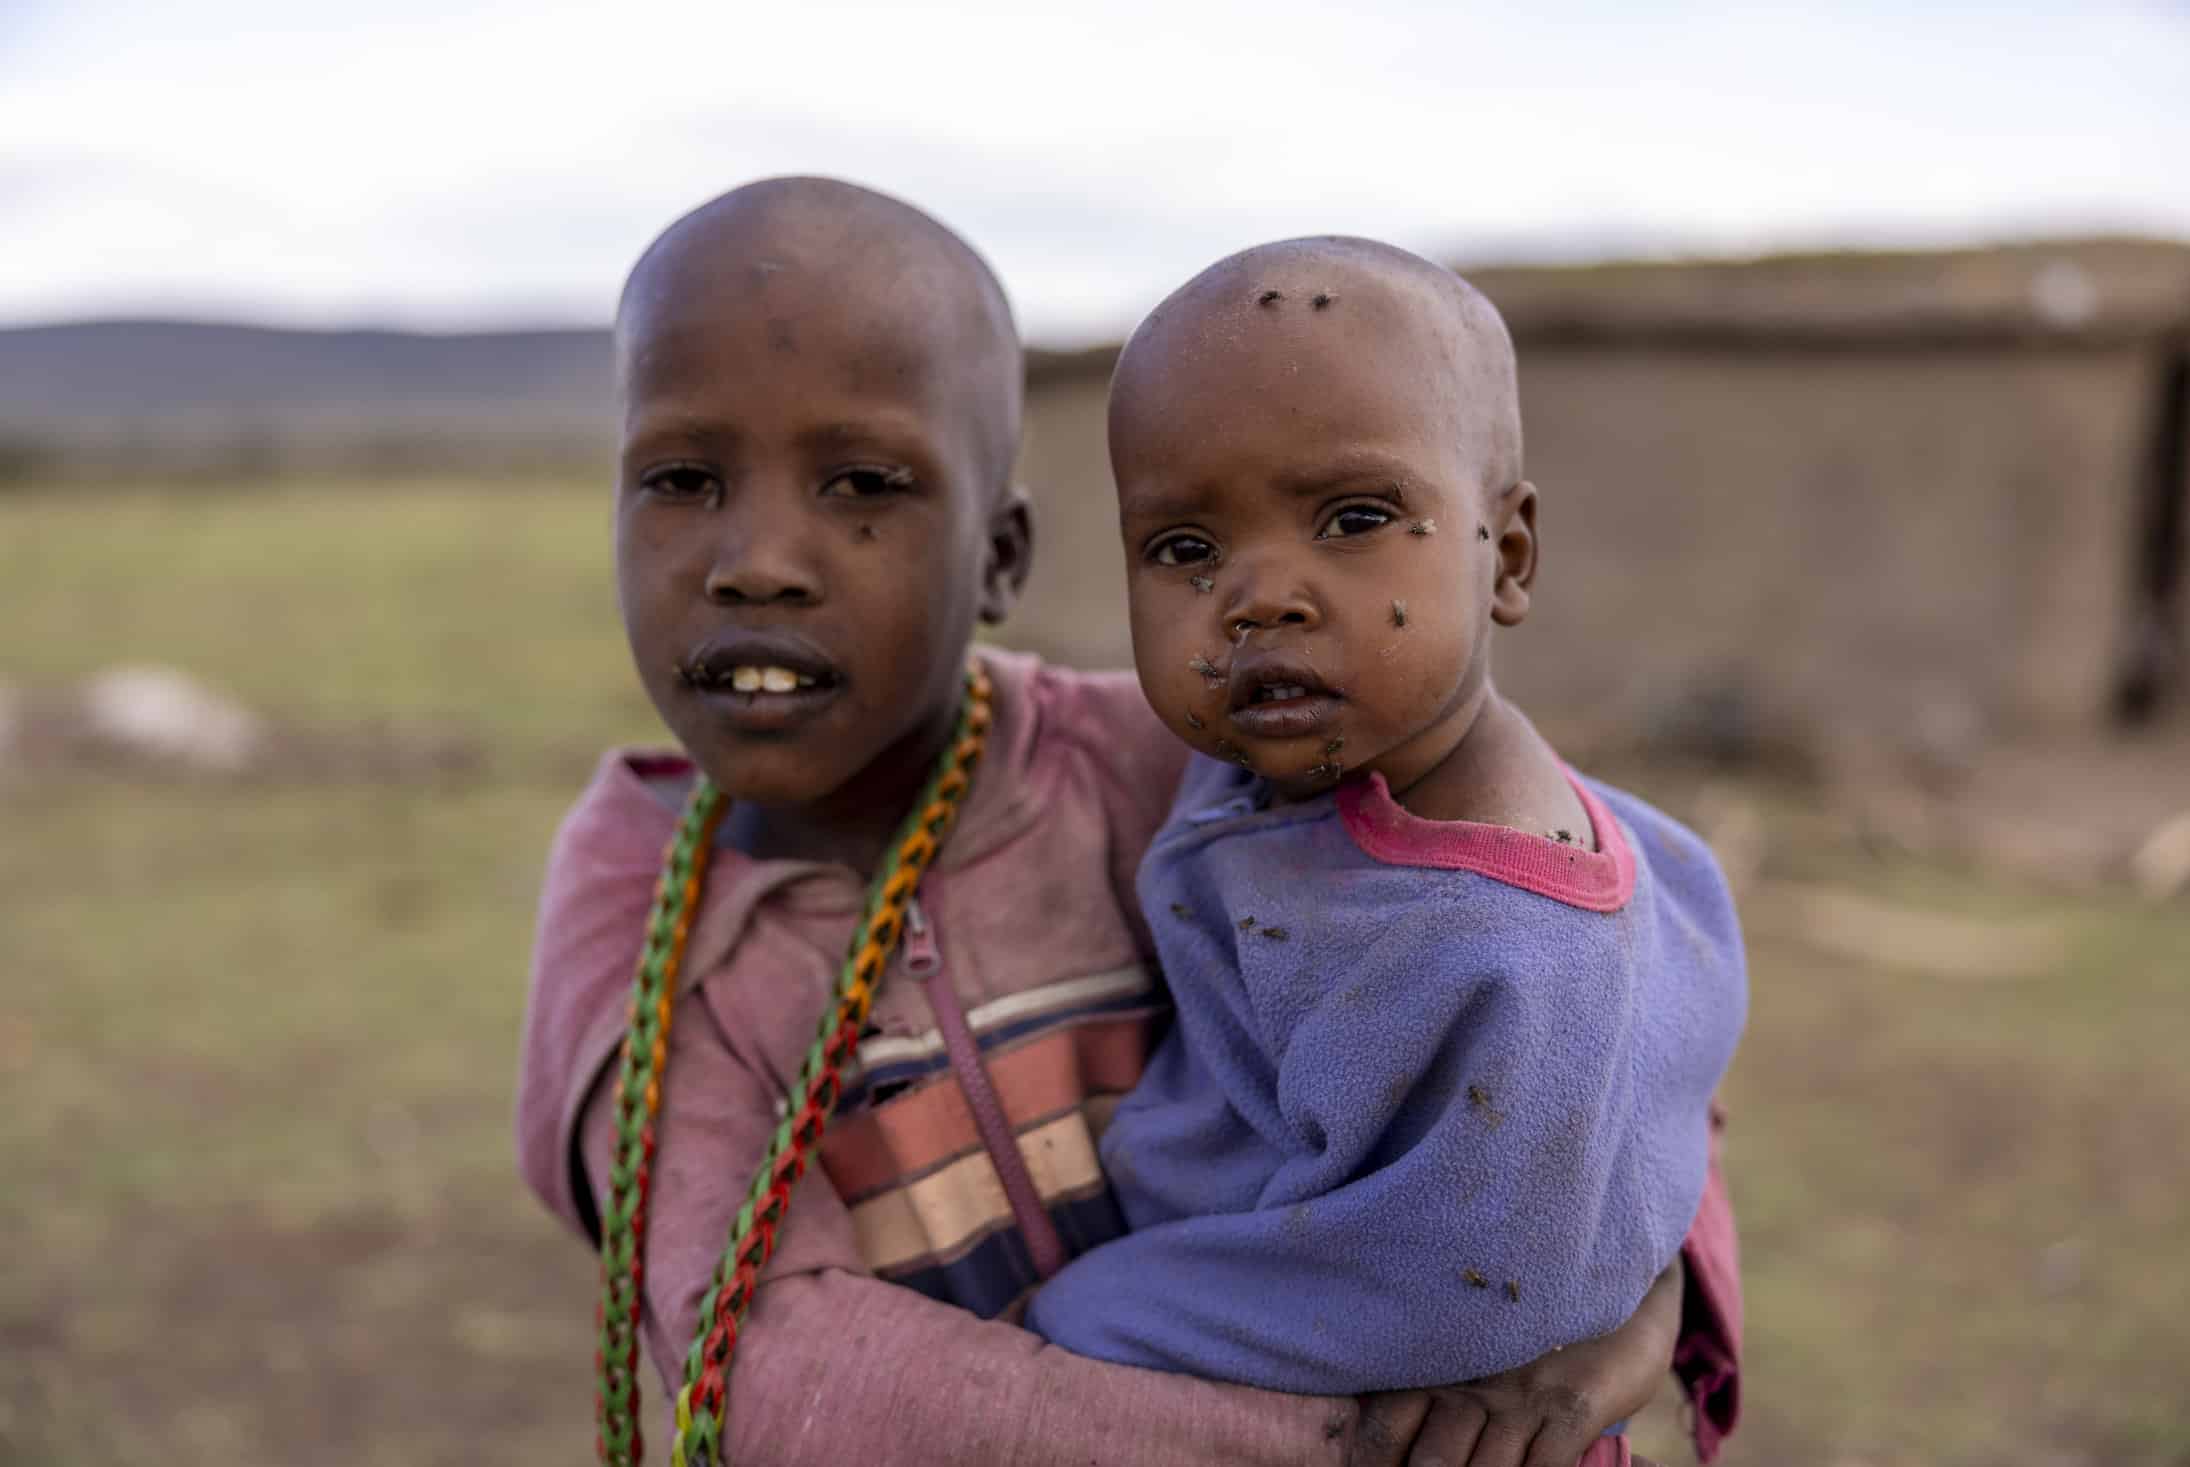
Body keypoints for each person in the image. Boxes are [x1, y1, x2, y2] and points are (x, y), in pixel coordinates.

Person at [515, 179, 1742, 1467]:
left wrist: (1631, 1307)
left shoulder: (1183, 760)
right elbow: (766, 1367)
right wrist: (1344, 1446)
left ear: (1000, 558)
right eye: (681, 477)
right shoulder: (647, 931)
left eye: (864, 481)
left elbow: (1598, 974)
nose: (757, 558)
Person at [1022, 236, 1748, 1432]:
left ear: (1504, 556)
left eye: (1354, 518)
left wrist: (1072, 1327)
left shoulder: (1495, 946)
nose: (1258, 597)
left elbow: (1448, 1295)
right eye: (1184, 549)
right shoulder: (1277, 763)